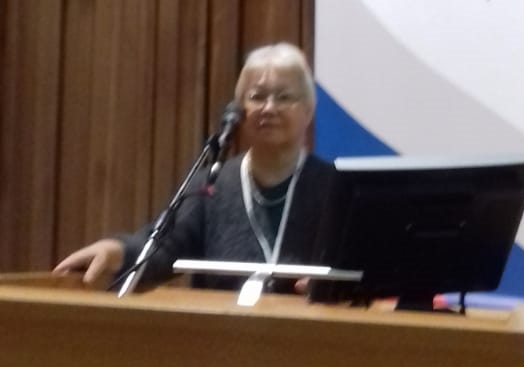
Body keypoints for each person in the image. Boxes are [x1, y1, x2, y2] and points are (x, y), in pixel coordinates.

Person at [53, 42, 337, 291]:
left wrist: (336, 287)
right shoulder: (212, 184)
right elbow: (162, 248)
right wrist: (117, 251)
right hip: (221, 329)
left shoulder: (334, 188)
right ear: (241, 111)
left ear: (308, 110)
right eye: (257, 97)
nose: (269, 108)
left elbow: (357, 269)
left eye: (284, 97)